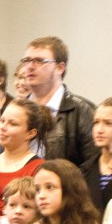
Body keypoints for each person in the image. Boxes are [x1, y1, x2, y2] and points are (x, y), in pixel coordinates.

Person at [19, 36, 95, 166]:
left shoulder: (82, 110)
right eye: (27, 60)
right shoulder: (16, 110)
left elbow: (93, 165)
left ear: (60, 68)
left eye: (39, 61)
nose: (30, 67)